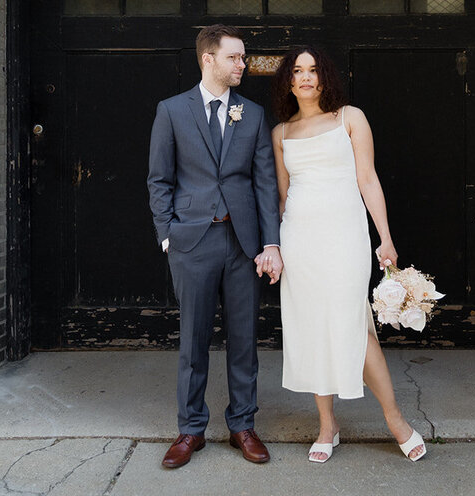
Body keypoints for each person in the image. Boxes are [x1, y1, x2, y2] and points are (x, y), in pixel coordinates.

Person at [270, 46, 427, 463]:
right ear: (289, 79)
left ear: (325, 77)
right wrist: (276, 248)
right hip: (300, 241)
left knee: (352, 323)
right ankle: (327, 424)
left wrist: (386, 238)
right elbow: (283, 197)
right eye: (298, 71)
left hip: (345, 237)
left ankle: (394, 418)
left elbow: (368, 179)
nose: (306, 77)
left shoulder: (350, 118)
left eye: (314, 70)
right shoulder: (281, 133)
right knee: (312, 327)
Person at [147, 25, 284, 469]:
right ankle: (190, 431)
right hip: (191, 241)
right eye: (234, 57)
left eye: (243, 58)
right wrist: (167, 233)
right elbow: (159, 179)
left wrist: (270, 242)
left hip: (242, 243)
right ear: (208, 59)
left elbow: (265, 184)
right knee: (194, 340)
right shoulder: (171, 110)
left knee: (244, 339)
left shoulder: (254, 113)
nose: (242, 64)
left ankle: (242, 425)